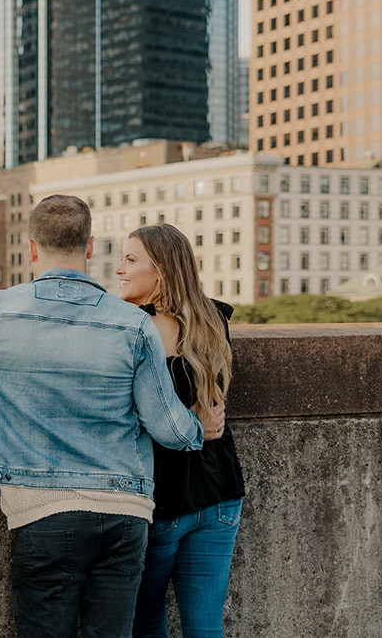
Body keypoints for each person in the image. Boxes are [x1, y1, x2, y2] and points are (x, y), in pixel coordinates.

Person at [0, 195, 224, 638]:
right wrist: (200, 428)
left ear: (31, 249)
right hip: (125, 511)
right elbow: (168, 427)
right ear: (89, 248)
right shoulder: (133, 323)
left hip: (45, 511)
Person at [114, 224, 246, 638]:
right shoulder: (213, 318)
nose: (119, 269)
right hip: (221, 492)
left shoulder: (137, 330)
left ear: (163, 272)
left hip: (163, 497)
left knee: (146, 622)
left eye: (130, 260)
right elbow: (209, 405)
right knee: (206, 628)